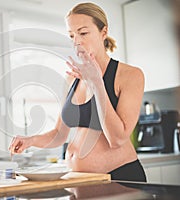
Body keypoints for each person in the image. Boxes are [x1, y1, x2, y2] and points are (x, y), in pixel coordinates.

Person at [9, 2, 146, 182]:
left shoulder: (130, 75)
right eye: (72, 35)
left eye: (83, 33)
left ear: (103, 32)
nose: (77, 41)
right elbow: (59, 134)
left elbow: (117, 139)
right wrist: (30, 140)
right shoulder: (72, 78)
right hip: (80, 180)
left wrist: (97, 83)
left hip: (119, 177)